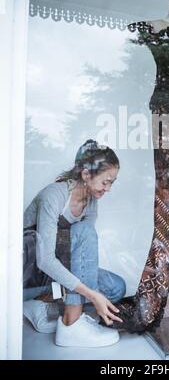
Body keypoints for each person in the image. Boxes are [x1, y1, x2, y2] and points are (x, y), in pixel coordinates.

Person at [23, 140, 126, 347]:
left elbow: (81, 253)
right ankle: (72, 323)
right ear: (86, 174)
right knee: (84, 232)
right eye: (105, 181)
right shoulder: (54, 195)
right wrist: (91, 294)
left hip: (58, 268)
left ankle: (41, 304)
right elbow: (45, 260)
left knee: (115, 288)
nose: (108, 188)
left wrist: (94, 292)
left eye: (112, 182)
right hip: (31, 271)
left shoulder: (91, 202)